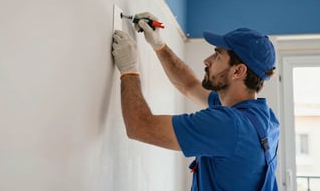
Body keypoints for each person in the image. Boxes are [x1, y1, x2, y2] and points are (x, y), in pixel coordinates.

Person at [112, 12, 280, 191]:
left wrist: (129, 70)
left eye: (218, 56)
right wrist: (158, 45)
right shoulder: (264, 118)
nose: (207, 61)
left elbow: (140, 127)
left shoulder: (228, 125)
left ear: (238, 71)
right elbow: (190, 86)